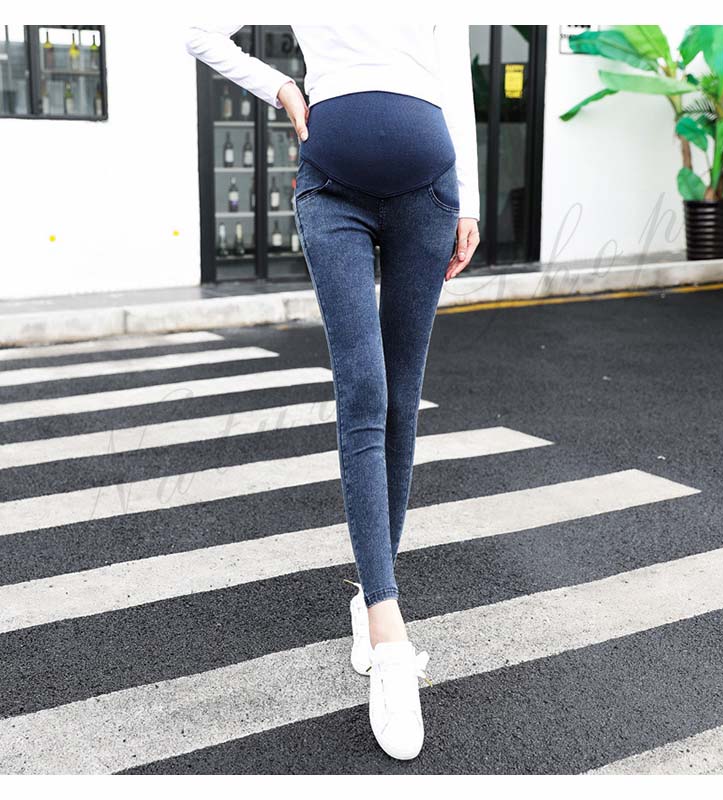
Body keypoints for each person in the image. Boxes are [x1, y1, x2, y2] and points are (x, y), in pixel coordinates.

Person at [185, 23, 481, 761]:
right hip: (332, 192)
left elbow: (456, 75)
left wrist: (469, 201)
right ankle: (387, 630)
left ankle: (371, 593)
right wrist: (281, 88)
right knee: (363, 392)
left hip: (429, 194)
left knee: (402, 399)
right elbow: (196, 28)